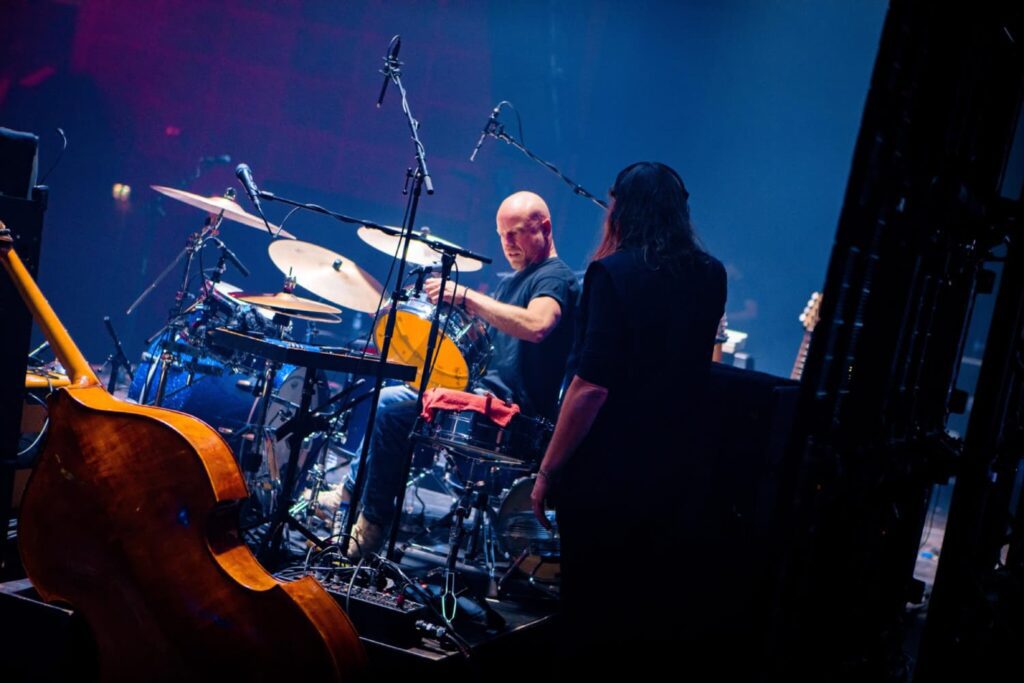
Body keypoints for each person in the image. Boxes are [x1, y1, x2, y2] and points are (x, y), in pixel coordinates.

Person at [530, 162, 727, 672]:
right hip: (677, 470)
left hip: (608, 473)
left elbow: (591, 387)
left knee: (588, 609)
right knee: (644, 613)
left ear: (624, 207)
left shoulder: (611, 272)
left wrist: (548, 470)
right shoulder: (711, 275)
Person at [346, 190, 580, 557]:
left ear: (545, 228)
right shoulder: (512, 282)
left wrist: (468, 298)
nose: (507, 243)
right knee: (401, 391)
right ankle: (352, 490)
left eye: (516, 233)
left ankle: (372, 525)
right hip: (480, 393)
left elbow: (537, 325)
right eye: (502, 235)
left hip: (512, 414)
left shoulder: (555, 278)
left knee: (392, 408)